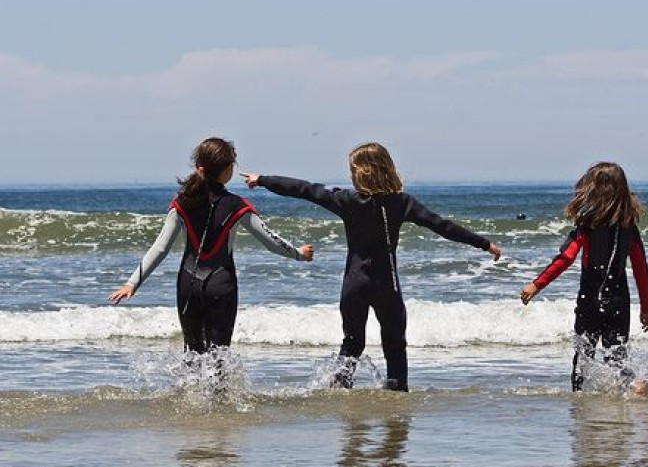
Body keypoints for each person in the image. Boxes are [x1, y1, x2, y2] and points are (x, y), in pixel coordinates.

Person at [243, 142, 501, 392]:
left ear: (363, 173)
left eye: (353, 171)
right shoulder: (402, 203)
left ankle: (341, 400)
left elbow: (304, 189)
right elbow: (441, 225)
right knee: (395, 345)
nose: (351, 177)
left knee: (352, 345)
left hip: (354, 284)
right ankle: (397, 401)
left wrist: (263, 179)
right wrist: (483, 243)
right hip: (386, 284)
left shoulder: (346, 200)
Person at [108, 137, 314, 354]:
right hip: (221, 284)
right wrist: (298, 254)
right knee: (219, 357)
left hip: (188, 285)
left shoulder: (181, 202)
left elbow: (160, 247)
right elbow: (271, 241)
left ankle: (187, 390)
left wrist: (132, 283)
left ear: (200, 168)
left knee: (191, 354)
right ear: (226, 170)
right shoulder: (238, 205)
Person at [520, 162, 648, 392]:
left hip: (590, 300)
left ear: (593, 190)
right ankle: (632, 391)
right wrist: (646, 308)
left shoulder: (587, 225)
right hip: (620, 301)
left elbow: (565, 258)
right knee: (617, 358)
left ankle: (580, 404)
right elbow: (641, 269)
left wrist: (536, 285)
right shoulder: (629, 227)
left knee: (583, 357)